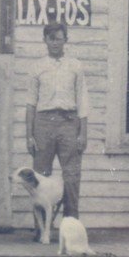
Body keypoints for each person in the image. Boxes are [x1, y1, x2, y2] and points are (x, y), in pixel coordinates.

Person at [26, 22, 89, 225]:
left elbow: (82, 101)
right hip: (43, 123)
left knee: (71, 176)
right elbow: (30, 104)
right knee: (40, 176)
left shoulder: (75, 66)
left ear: (65, 40)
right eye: (51, 38)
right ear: (45, 40)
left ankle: (70, 224)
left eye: (59, 38)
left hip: (68, 122)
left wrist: (83, 133)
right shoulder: (37, 67)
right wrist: (29, 135)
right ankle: (41, 227)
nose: (55, 43)